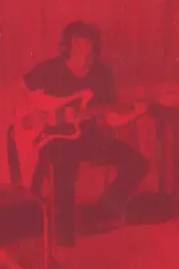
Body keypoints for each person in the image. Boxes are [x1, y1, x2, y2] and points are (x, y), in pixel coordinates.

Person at [12, 21, 149, 246]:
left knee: (139, 163)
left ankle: (99, 212)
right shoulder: (50, 69)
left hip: (88, 137)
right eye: (79, 52)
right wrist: (34, 114)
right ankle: (64, 235)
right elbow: (16, 87)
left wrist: (130, 112)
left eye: (89, 53)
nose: (85, 59)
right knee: (64, 163)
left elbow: (110, 117)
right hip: (54, 139)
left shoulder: (103, 74)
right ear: (66, 48)